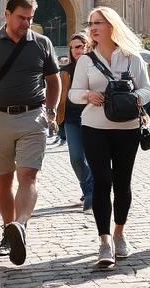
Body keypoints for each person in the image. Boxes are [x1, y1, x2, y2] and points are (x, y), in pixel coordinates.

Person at [0, 0, 60, 266]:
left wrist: (51, 111)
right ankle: (9, 232)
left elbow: (54, 81)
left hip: (33, 118)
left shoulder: (42, 43)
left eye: (30, 19)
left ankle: (20, 225)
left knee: (28, 175)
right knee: (3, 180)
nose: (26, 24)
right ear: (6, 14)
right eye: (21, 18)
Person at [68, 7, 150, 269]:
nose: (92, 28)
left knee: (122, 182)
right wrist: (87, 96)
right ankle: (104, 241)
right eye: (91, 23)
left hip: (127, 128)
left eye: (98, 23)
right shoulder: (85, 60)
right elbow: (73, 93)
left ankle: (119, 233)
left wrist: (134, 98)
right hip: (94, 127)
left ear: (112, 26)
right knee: (102, 182)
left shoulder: (131, 57)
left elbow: (148, 89)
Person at [57, 32, 94, 213]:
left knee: (94, 158)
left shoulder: (96, 67)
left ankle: (91, 194)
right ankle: (89, 190)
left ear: (87, 45)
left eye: (79, 46)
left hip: (94, 118)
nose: (75, 51)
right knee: (77, 158)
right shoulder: (64, 71)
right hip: (72, 119)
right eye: (72, 47)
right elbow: (59, 95)